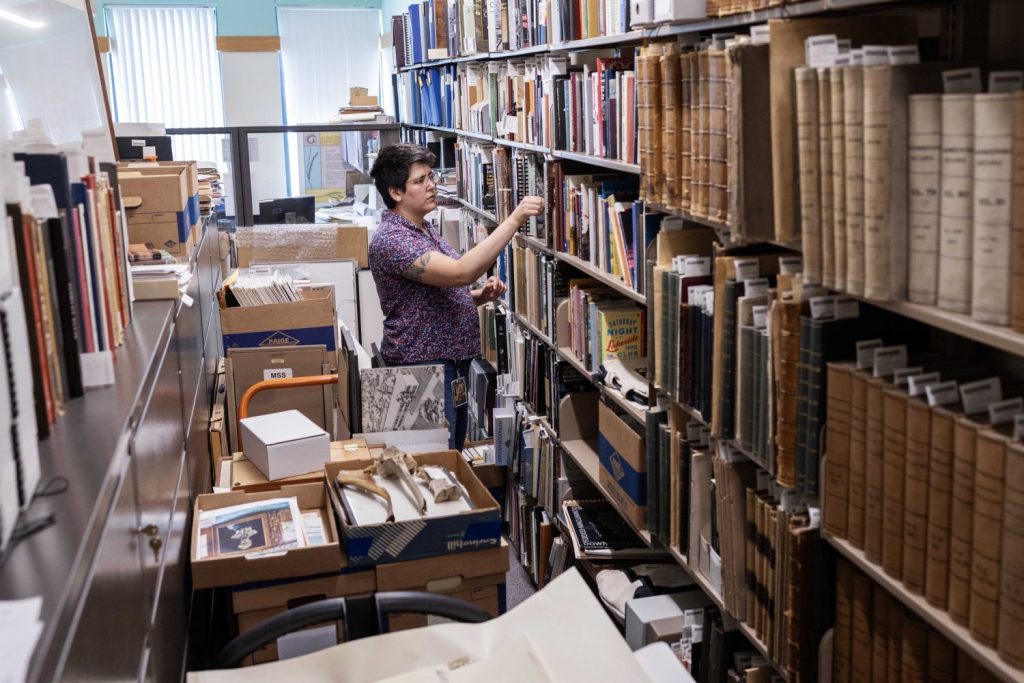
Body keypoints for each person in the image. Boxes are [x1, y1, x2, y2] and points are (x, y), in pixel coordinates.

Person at [368, 143, 543, 451]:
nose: (432, 185)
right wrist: (514, 220)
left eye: (430, 176)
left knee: (452, 457)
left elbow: (428, 298)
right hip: (422, 373)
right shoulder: (393, 240)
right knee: (434, 465)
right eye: (420, 181)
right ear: (396, 193)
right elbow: (461, 272)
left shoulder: (423, 229)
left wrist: (476, 297)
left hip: (449, 366)